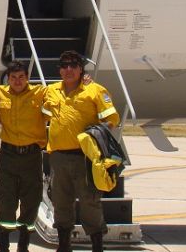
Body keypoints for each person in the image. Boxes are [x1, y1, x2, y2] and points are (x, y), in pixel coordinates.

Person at [42, 51, 120, 252]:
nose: (68, 69)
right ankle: (64, 245)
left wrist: (97, 136)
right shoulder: (51, 91)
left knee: (90, 202)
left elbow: (111, 119)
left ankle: (97, 246)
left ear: (81, 69)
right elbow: (40, 113)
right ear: (59, 69)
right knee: (60, 202)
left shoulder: (94, 90)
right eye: (64, 65)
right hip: (58, 157)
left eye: (73, 65)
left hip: (85, 158)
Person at [0, 61, 47, 252]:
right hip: (8, 155)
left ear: (27, 78)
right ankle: (3, 245)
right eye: (13, 77)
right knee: (5, 199)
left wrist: (85, 80)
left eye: (21, 77)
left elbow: (61, 90)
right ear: (8, 78)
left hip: (31, 156)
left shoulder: (40, 93)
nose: (17, 81)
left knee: (31, 200)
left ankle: (23, 244)